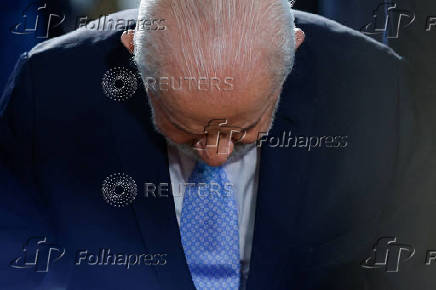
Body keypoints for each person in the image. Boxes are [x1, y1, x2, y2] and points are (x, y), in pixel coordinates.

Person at [0, 0, 428, 289]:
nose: (216, 153)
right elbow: (19, 263)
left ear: (292, 54)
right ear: (134, 54)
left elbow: (402, 268)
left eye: (243, 129)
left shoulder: (373, 91)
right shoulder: (49, 92)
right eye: (187, 130)